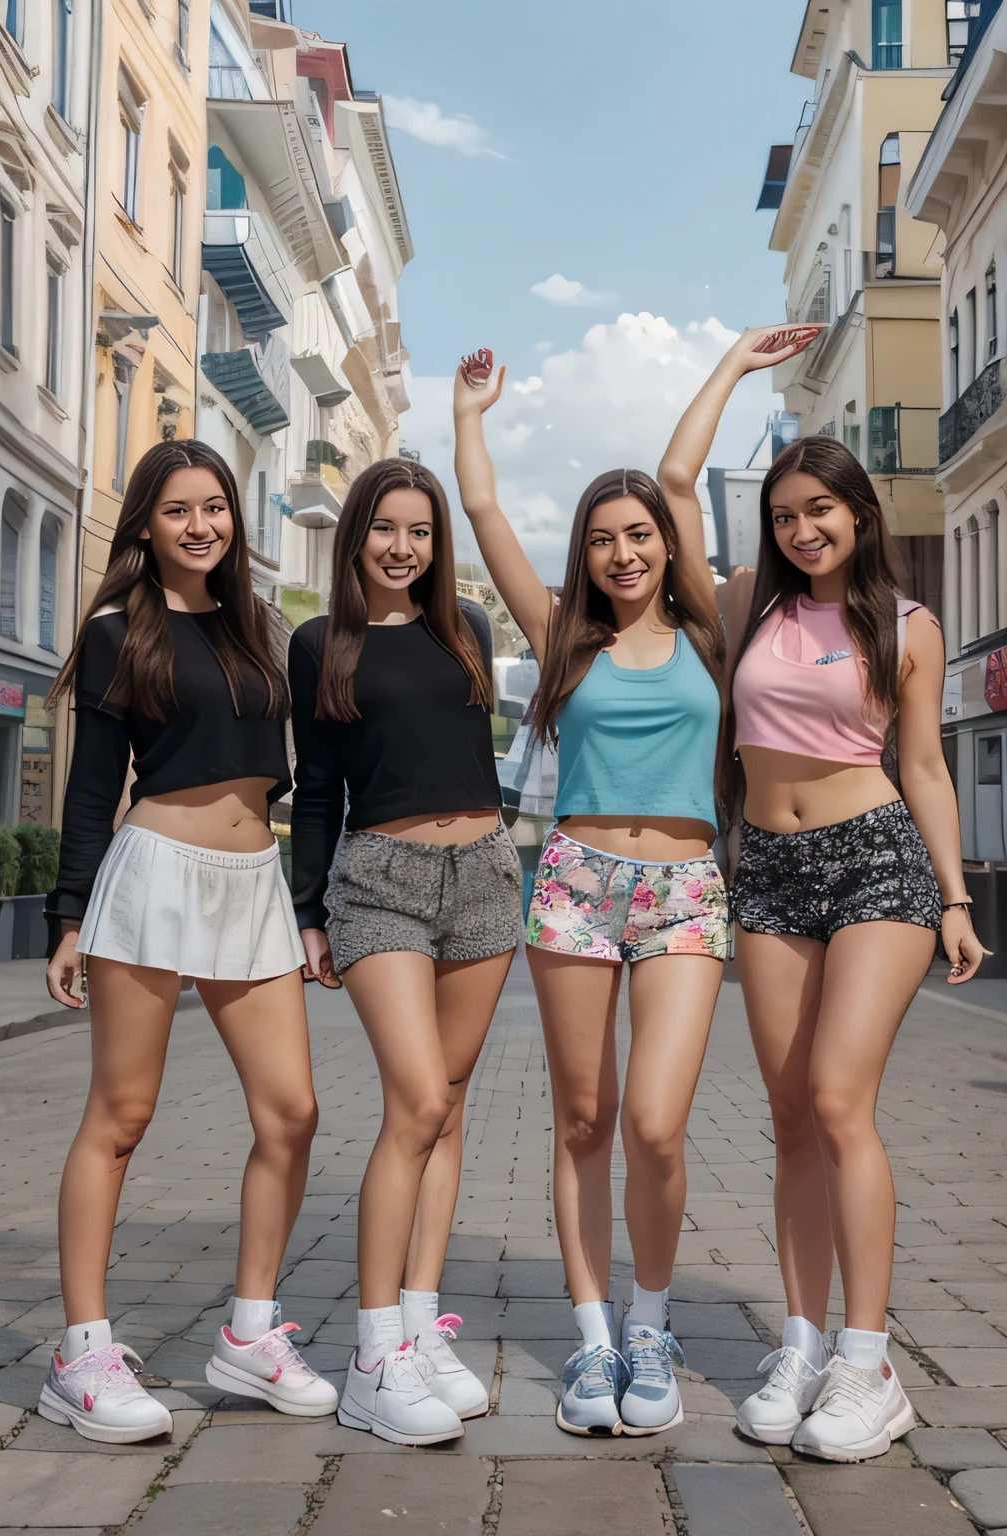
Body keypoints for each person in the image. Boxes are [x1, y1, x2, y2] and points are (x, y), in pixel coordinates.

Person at [452, 327, 820, 1436]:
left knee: (656, 1125)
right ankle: (595, 1342)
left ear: (668, 546)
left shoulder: (714, 630)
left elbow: (675, 472)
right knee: (583, 1119)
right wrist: (469, 416)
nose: (622, 553)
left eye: (640, 537)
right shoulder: (564, 634)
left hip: (686, 892)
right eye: (604, 539)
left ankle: (650, 1326)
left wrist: (733, 369)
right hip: (572, 883)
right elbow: (485, 517)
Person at [41, 440, 336, 1444]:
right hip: (155, 876)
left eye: (214, 507)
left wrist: (308, 903)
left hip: (251, 886)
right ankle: (81, 1352)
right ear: (147, 527)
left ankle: (250, 1334)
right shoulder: (123, 631)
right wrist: (70, 915)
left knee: (291, 1112)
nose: (201, 524)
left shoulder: (263, 628)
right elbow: (91, 786)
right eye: (178, 511)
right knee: (121, 1117)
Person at [702, 430, 984, 1461]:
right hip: (768, 873)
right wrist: (732, 368)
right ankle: (803, 1345)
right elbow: (676, 477)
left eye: (820, 508)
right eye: (784, 514)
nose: (802, 528)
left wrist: (954, 899)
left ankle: (868, 1364)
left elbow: (924, 767)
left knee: (835, 1098)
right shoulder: (746, 605)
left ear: (857, 514)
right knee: (787, 1120)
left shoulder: (907, 626)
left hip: (877, 863)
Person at [288, 457, 522, 1446]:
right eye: (385, 528)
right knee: (416, 1101)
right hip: (378, 882)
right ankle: (373, 1354)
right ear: (356, 535)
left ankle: (421, 1328)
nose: (401, 546)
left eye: (418, 531)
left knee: (451, 1108)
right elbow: (317, 788)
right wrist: (308, 910)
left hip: (483, 874)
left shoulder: (462, 625)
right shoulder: (319, 642)